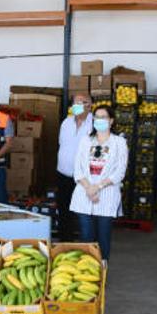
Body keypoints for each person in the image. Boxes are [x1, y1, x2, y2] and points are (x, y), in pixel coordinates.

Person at [69, 105, 127, 261]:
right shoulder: (86, 140)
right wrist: (89, 188)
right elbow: (78, 168)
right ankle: (88, 271)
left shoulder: (119, 142)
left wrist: (97, 187)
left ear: (111, 120)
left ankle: (102, 270)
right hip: (84, 194)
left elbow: (119, 172)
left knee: (103, 238)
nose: (99, 120)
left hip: (106, 196)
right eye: (97, 117)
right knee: (87, 238)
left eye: (103, 117)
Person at [57, 93, 93, 241]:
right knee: (64, 209)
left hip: (85, 177)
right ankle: (65, 240)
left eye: (83, 102)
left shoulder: (94, 124)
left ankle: (87, 242)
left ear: (90, 106)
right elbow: (62, 144)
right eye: (76, 103)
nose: (78, 105)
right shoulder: (66, 122)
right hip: (64, 173)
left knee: (84, 211)